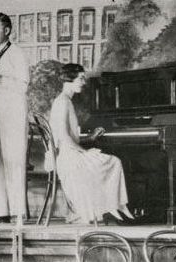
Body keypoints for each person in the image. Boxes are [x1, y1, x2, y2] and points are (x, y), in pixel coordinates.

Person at [49, 63, 135, 224]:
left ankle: (111, 208)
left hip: (70, 154)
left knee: (111, 162)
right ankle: (109, 208)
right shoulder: (62, 102)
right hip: (68, 159)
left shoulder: (66, 101)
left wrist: (90, 138)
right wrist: (84, 151)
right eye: (81, 78)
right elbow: (63, 136)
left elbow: (69, 137)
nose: (84, 82)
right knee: (114, 162)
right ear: (69, 79)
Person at [0, 13, 30, 225]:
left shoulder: (17, 53)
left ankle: (17, 211)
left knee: (14, 159)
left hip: (13, 112)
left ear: (7, 30)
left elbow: (23, 85)